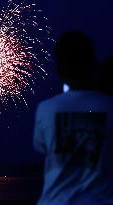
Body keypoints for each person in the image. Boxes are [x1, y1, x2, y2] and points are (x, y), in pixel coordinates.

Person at [33, 31, 113, 205]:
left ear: (60, 69)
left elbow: (41, 147)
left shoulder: (46, 108)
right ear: (93, 64)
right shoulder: (109, 106)